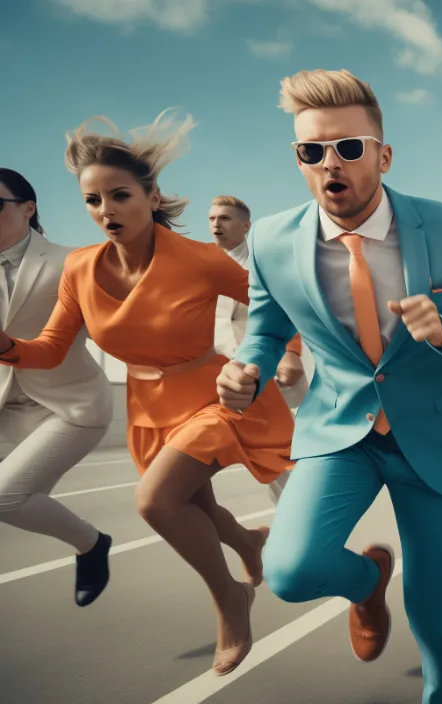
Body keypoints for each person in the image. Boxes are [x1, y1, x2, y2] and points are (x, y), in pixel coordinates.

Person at [216, 68, 442, 704]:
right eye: (312, 151)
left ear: (382, 154)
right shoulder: (272, 240)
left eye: (348, 148)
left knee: (432, 605)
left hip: (435, 436)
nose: (332, 164)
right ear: (298, 160)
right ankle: (365, 582)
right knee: (290, 570)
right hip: (341, 430)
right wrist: (247, 368)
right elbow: (266, 333)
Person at [0, 111, 299, 675]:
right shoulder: (79, 269)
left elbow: (280, 305)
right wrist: (5, 345)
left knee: (155, 501)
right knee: (195, 510)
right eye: (93, 201)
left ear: (151, 194)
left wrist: (286, 354)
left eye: (119, 196)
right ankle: (249, 543)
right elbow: (48, 349)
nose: (106, 212)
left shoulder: (202, 260)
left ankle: (231, 601)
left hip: (215, 397)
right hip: (147, 409)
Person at [0, 167, 113, 607]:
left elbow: (117, 325)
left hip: (70, 406)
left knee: (7, 498)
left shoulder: (74, 261)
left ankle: (92, 544)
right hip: (8, 407)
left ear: (28, 209)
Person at [209, 195, 306, 503]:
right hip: (226, 375)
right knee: (263, 455)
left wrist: (291, 352)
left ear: (246, 226)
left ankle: (303, 526)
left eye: (224, 218)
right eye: (211, 219)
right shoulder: (204, 264)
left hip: (269, 368)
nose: (215, 224)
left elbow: (288, 307)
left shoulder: (262, 262)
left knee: (290, 452)